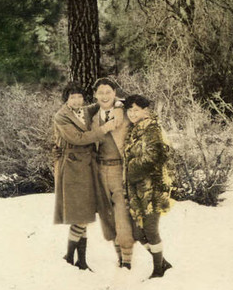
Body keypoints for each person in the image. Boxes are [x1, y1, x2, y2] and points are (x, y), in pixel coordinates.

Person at [53, 82, 116, 270]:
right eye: (72, 97)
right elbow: (78, 139)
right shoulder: (61, 116)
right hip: (72, 168)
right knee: (81, 216)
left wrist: (116, 100)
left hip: (87, 167)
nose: (77, 100)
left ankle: (79, 260)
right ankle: (70, 257)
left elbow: (102, 102)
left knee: (85, 214)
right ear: (66, 99)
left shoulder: (85, 111)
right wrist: (104, 129)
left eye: (80, 96)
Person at [123, 94, 174, 278]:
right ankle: (162, 261)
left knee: (151, 229)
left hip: (153, 188)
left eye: (136, 109)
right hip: (137, 189)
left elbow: (154, 156)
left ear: (146, 110)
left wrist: (130, 168)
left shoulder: (152, 129)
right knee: (137, 232)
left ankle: (158, 270)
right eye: (129, 110)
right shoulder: (135, 129)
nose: (132, 113)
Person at [91, 78, 135, 269]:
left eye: (108, 92)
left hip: (119, 169)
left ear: (115, 93)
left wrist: (120, 105)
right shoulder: (92, 116)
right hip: (100, 170)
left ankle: (127, 259)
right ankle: (118, 255)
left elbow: (140, 107)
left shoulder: (124, 114)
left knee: (122, 213)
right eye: (101, 92)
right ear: (95, 95)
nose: (105, 96)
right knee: (106, 214)